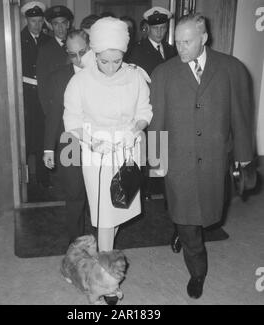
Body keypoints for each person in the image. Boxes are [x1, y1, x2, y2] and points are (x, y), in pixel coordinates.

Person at [148, 13, 254, 299]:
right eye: (177, 41)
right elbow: (157, 121)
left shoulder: (233, 69)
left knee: (208, 215)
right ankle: (197, 272)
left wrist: (244, 156)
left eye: (187, 42)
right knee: (187, 219)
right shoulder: (163, 73)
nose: (180, 48)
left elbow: (241, 117)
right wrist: (155, 160)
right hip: (178, 162)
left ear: (204, 38)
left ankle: (182, 230)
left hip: (214, 161)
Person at [64, 17, 152, 254]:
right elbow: (71, 120)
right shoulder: (80, 81)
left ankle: (102, 259)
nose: (111, 67)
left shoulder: (135, 77)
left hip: (128, 151)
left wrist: (135, 129)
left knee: (118, 212)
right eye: (104, 61)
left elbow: (145, 111)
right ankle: (105, 274)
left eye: (117, 61)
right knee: (104, 216)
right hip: (97, 154)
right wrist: (93, 142)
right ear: (94, 53)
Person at [43, 30, 91, 247]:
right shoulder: (58, 77)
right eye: (73, 55)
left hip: (98, 143)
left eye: (83, 52)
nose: (79, 60)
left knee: (99, 196)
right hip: (69, 143)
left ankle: (103, 242)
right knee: (74, 195)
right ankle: (76, 244)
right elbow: (53, 116)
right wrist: (48, 149)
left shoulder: (104, 72)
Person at [20, 1, 51, 187]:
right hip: (24, 94)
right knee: (24, 137)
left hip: (43, 95)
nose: (37, 25)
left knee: (42, 136)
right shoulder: (18, 38)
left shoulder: (47, 40)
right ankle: (22, 181)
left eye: (40, 21)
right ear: (27, 20)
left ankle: (43, 178)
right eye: (33, 21)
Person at [36, 5, 74, 114]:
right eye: (56, 24)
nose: (60, 28)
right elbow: (42, 83)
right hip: (55, 107)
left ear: (68, 24)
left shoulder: (76, 45)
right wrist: (47, 110)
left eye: (63, 23)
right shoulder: (45, 50)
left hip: (75, 104)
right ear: (51, 26)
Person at [128, 6, 177, 76]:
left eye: (162, 28)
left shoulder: (171, 50)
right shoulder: (138, 50)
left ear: (166, 29)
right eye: (155, 28)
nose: (159, 32)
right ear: (148, 28)